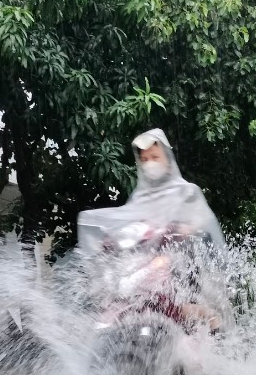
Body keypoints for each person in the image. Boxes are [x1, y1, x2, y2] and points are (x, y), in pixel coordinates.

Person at [77, 129, 227, 331]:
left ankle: (204, 336)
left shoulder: (187, 191)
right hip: (150, 268)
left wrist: (185, 229)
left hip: (184, 264)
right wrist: (110, 238)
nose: (150, 163)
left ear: (167, 158)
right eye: (145, 159)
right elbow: (128, 224)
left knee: (178, 305)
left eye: (155, 157)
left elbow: (201, 222)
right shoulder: (140, 198)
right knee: (122, 297)